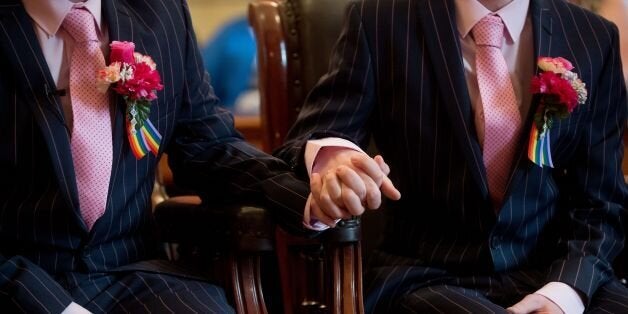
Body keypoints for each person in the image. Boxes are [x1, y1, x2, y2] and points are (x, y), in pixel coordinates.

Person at [274, 0, 628, 313]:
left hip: (552, 272)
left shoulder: (593, 37)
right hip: (425, 276)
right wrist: (333, 162)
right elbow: (315, 136)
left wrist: (564, 294)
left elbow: (602, 202)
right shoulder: (380, 20)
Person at [0, 0, 331, 312]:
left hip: (129, 273)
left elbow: (208, 147)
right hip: (21, 277)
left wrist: (309, 195)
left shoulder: (159, 12)